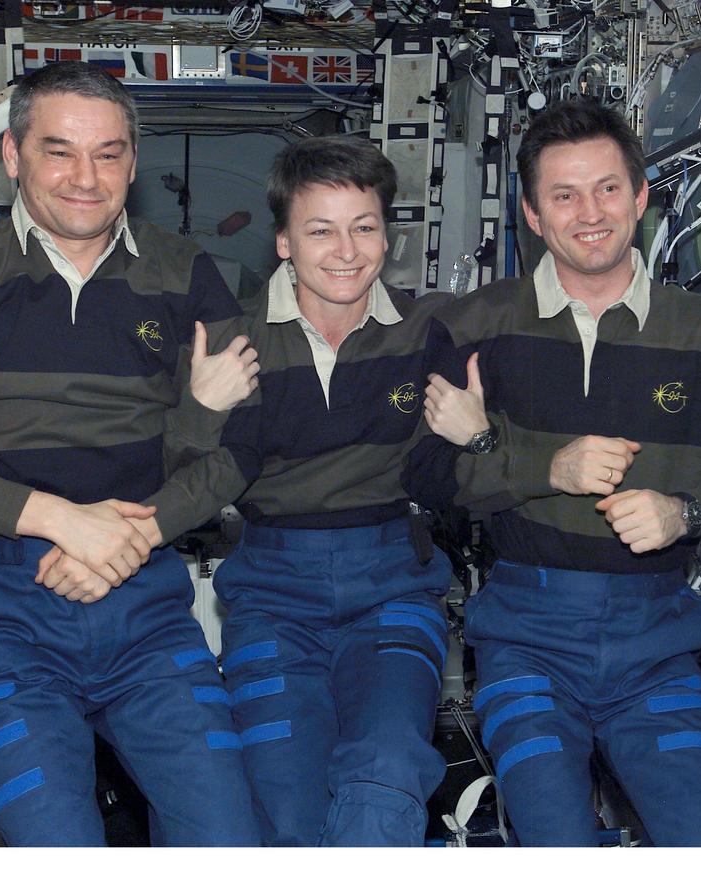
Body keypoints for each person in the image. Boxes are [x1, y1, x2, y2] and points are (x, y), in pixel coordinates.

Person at [0, 61, 262, 846]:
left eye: (109, 153)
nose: (86, 177)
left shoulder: (185, 275)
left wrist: (134, 534)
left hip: (146, 603)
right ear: (13, 155)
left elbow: (246, 443)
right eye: (59, 151)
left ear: (133, 161)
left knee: (227, 838)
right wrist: (62, 521)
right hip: (4, 606)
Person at [417, 98, 701, 846]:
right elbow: (421, 469)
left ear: (641, 196)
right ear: (532, 214)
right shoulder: (473, 327)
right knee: (555, 834)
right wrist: (540, 467)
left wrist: (688, 511)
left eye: (606, 188)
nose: (588, 212)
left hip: (656, 644)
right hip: (526, 639)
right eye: (563, 195)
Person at [44, 136, 452, 845]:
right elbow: (188, 474)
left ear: (388, 235)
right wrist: (198, 412)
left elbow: (465, 472)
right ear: (285, 242)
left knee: (386, 772)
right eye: (320, 229)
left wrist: (475, 437)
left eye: (365, 227)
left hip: (392, 588)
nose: (347, 250)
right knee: (281, 808)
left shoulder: (428, 331)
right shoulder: (234, 340)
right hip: (273, 595)